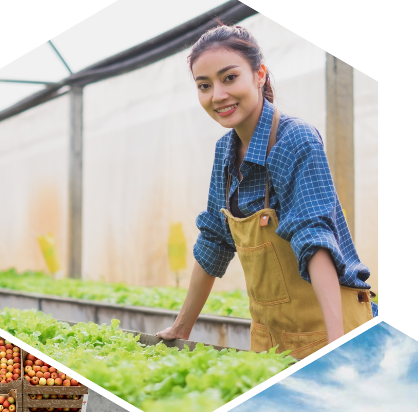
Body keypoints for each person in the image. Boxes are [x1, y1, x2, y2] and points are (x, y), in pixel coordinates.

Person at [156, 23, 377, 360]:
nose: (217, 95)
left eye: (229, 77)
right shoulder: (224, 152)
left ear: (259, 74)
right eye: (204, 85)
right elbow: (215, 241)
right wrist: (181, 328)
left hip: (329, 328)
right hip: (269, 335)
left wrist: (337, 346)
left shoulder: (295, 139)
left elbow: (314, 239)